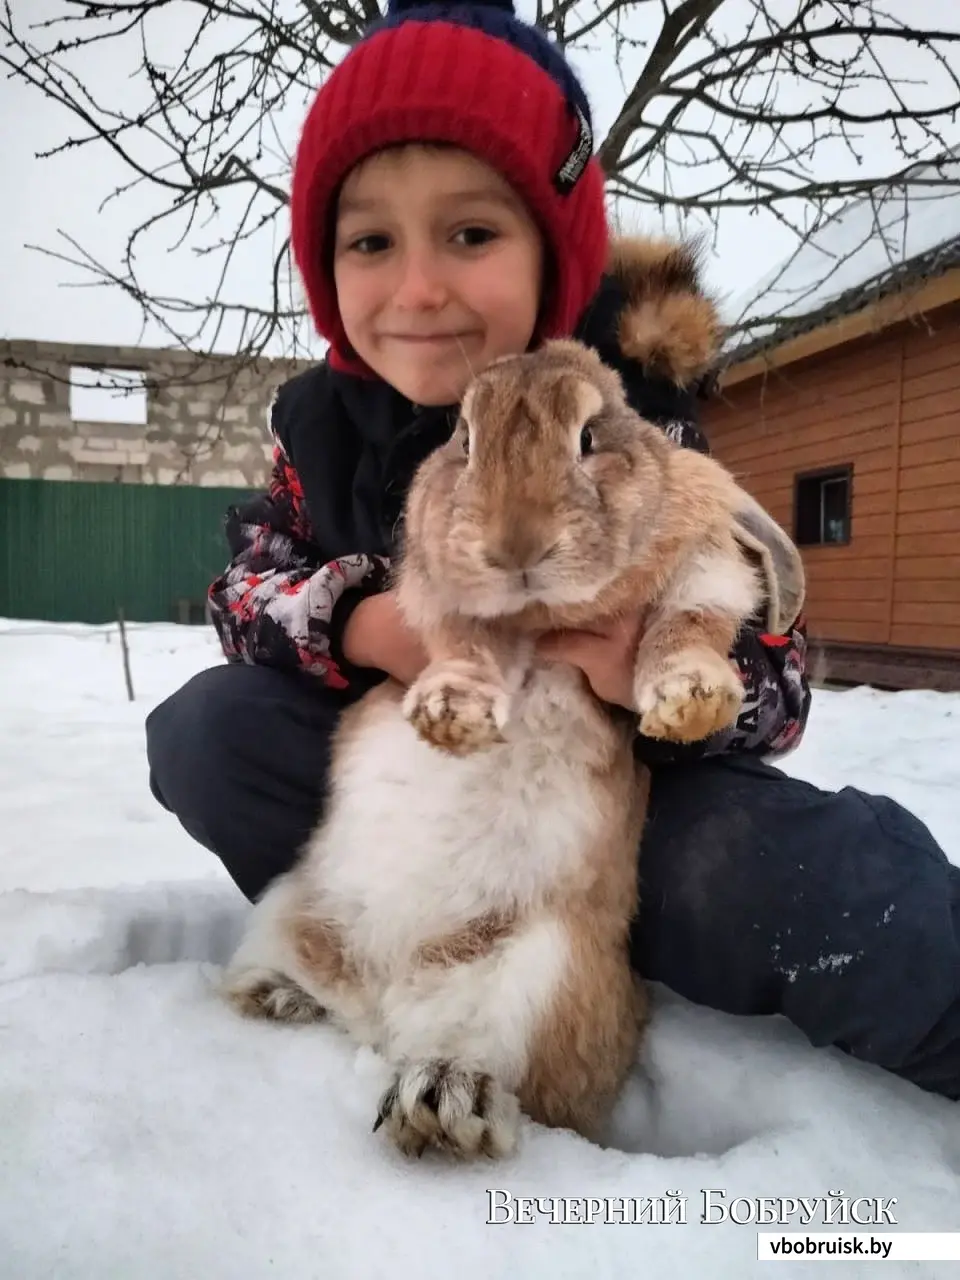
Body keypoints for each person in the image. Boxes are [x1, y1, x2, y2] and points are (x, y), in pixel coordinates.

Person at [146, 0, 960, 1101]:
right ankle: (395, 928)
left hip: (617, 808)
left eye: (471, 234)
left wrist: (651, 673)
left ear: (553, 251)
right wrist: (367, 622)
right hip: (421, 787)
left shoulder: (632, 417)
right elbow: (244, 587)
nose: (421, 287)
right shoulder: (320, 426)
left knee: (797, 878)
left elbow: (774, 658)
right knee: (209, 729)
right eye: (372, 241)